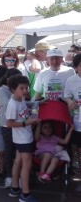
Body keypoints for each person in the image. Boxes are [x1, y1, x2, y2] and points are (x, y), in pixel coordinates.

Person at [6, 75, 40, 202]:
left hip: (23, 137)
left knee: (18, 162)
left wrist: (33, 112)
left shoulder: (21, 100)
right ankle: (25, 194)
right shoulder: (13, 104)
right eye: (22, 88)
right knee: (27, 165)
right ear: (13, 89)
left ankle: (15, 188)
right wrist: (28, 123)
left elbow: (24, 115)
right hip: (23, 139)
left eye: (26, 88)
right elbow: (9, 123)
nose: (25, 90)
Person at [0, 68, 23, 188]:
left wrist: (36, 103)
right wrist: (16, 94)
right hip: (6, 124)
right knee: (9, 150)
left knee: (20, 151)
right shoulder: (2, 90)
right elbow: (8, 104)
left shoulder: (18, 90)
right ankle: (9, 176)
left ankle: (21, 177)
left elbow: (22, 104)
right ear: (8, 79)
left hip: (19, 124)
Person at [62, 53, 81, 191]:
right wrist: (70, 102)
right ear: (76, 67)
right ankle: (79, 175)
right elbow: (66, 95)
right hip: (77, 122)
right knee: (78, 151)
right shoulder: (71, 80)